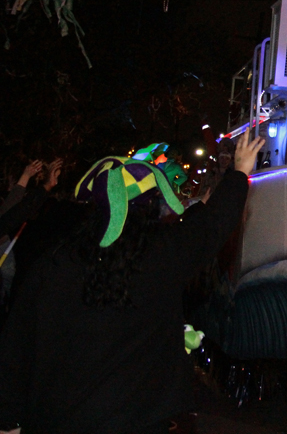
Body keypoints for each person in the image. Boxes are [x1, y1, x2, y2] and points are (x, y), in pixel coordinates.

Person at [0, 135, 265, 434]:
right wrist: (240, 172)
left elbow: (18, 342)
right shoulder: (163, 255)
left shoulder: (56, 261)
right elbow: (212, 226)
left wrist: (8, 417)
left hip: (58, 416)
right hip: (140, 418)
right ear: (148, 207)